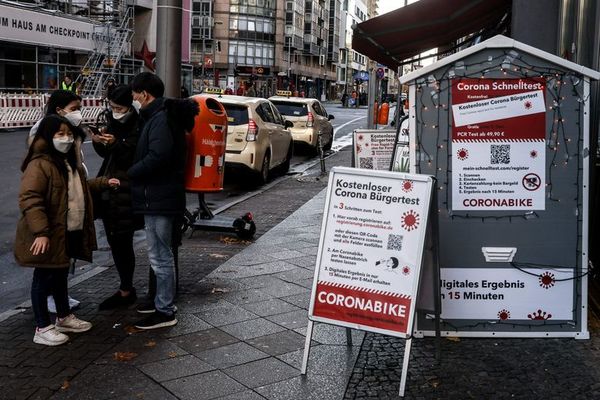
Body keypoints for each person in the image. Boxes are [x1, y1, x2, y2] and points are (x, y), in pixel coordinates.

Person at [14, 115, 97, 346]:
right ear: (47, 137)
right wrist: (41, 232)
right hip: (47, 232)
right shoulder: (40, 163)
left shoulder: (68, 162)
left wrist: (103, 183)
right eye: (59, 134)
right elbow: (30, 198)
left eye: (69, 134)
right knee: (43, 278)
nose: (66, 139)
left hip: (67, 229)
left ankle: (63, 317)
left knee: (60, 274)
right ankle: (42, 326)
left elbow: (74, 191)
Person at [128, 72, 185, 330]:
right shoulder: (159, 117)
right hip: (161, 196)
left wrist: (131, 173)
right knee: (161, 255)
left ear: (145, 95)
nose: (134, 99)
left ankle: (164, 310)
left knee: (160, 256)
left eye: (134, 95)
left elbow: (158, 156)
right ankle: (162, 303)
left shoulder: (160, 120)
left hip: (159, 197)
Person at [28, 89, 86, 312]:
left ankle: (61, 301)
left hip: (70, 203)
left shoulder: (71, 131)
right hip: (55, 205)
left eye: (79, 108)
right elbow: (33, 192)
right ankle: (46, 312)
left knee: (65, 257)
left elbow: (76, 164)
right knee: (48, 264)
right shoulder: (44, 132)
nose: (78, 113)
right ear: (59, 110)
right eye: (74, 109)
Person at [88, 85, 142, 310]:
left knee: (122, 240)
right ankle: (125, 287)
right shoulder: (112, 121)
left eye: (119, 107)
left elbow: (134, 154)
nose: (115, 111)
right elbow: (108, 154)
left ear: (130, 106)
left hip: (126, 189)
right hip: (111, 188)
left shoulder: (139, 124)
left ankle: (126, 290)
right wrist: (99, 142)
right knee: (116, 241)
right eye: (112, 107)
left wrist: (115, 145)